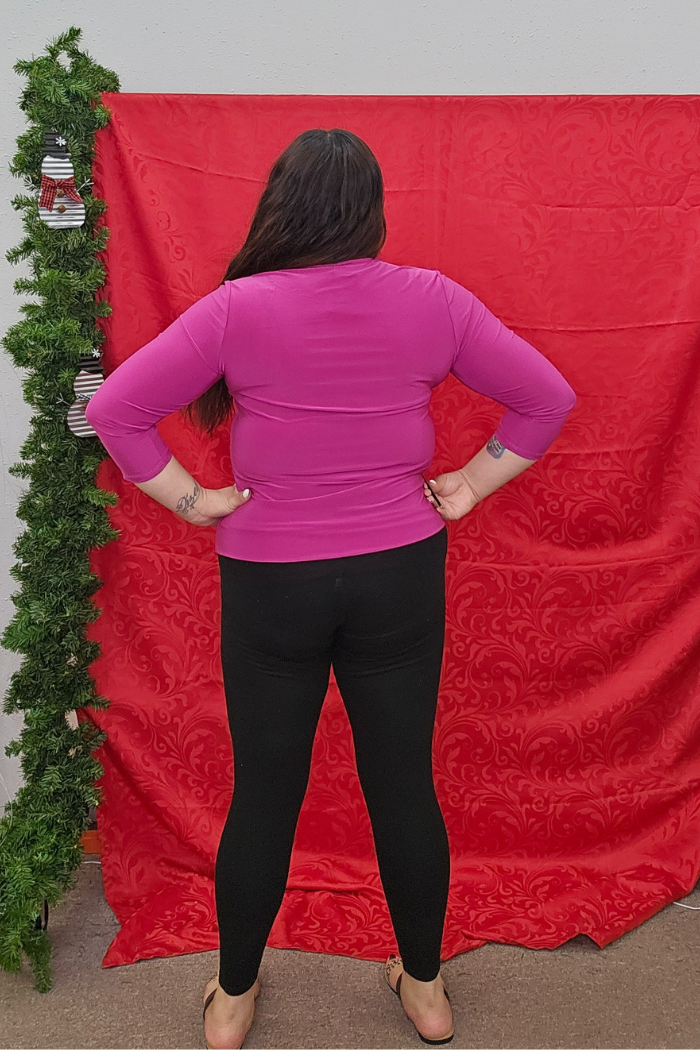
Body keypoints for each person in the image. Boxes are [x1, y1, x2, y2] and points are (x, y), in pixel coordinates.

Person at [84, 127, 576, 1050]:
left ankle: (231, 1003)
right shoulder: (431, 299)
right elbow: (547, 396)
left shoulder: (240, 308)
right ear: (372, 211)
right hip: (399, 576)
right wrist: (468, 484)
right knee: (403, 786)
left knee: (265, 792)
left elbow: (114, 410)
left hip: (273, 582)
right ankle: (426, 995)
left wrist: (195, 501)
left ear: (282, 205)